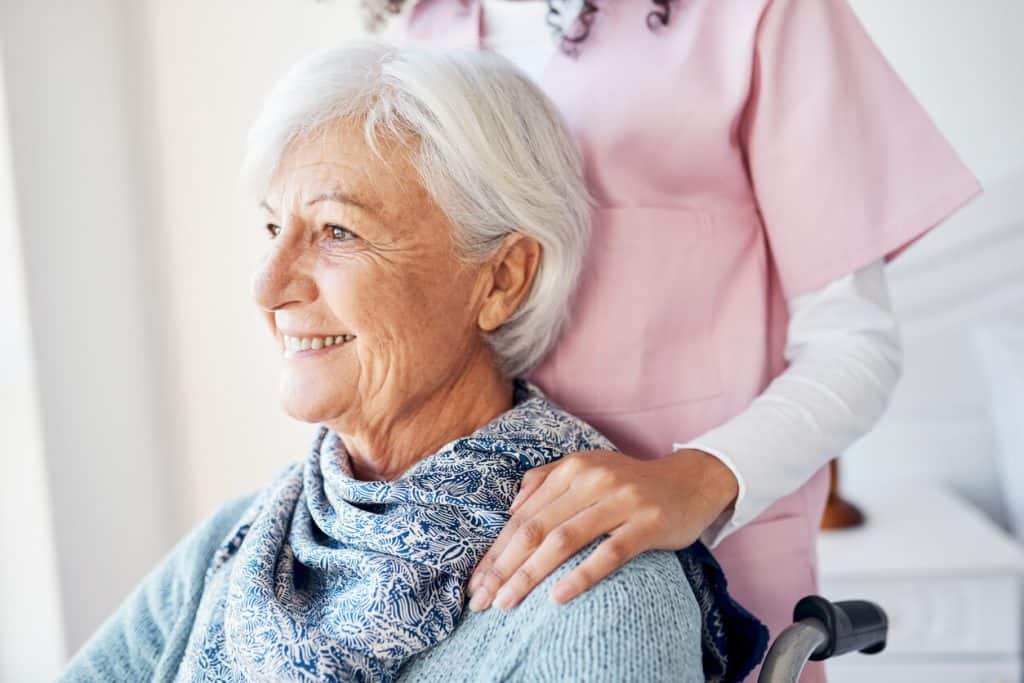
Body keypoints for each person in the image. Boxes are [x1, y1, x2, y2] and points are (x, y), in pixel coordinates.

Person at [57, 43, 766, 683]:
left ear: (501, 280)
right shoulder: (242, 543)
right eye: (275, 228)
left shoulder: (597, 594)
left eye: (337, 231)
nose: (268, 287)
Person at [383, 1, 984, 680]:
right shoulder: (423, 31)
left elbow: (856, 346)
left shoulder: (764, 15)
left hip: (718, 585)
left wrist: (694, 480)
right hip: (473, 588)